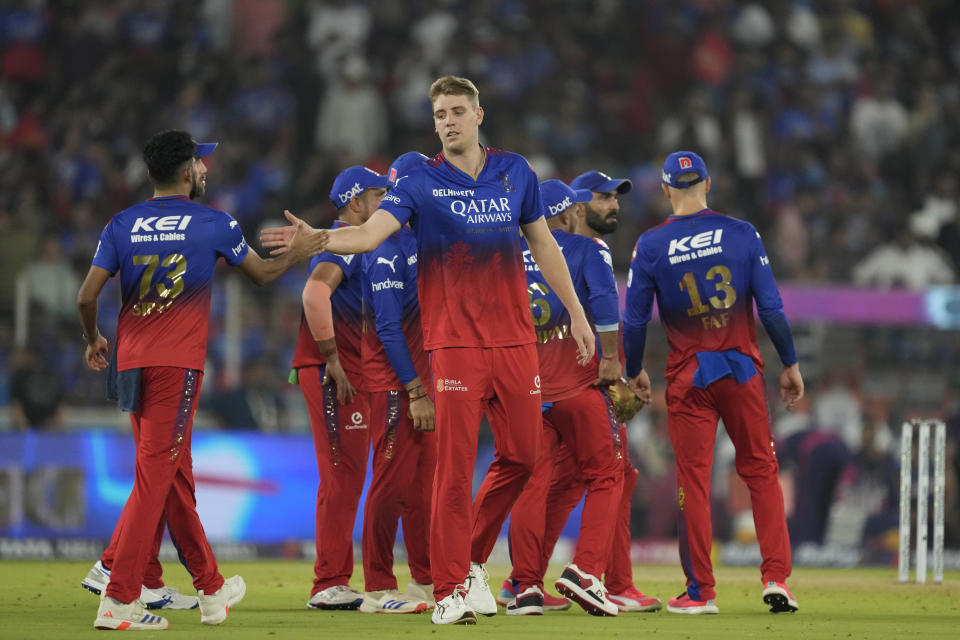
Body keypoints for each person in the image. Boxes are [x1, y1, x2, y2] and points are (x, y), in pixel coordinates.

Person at [262, 75, 595, 626]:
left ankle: (467, 561)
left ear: (479, 115)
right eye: (440, 113)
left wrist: (578, 314)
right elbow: (369, 236)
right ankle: (446, 591)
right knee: (454, 470)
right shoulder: (419, 183)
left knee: (524, 455)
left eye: (458, 110)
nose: (448, 120)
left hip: (515, 340)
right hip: (456, 345)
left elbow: (543, 243)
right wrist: (318, 240)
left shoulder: (516, 172)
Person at [76, 129, 323, 630]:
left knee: (172, 475)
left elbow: (85, 296)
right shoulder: (215, 223)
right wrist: (301, 253)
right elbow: (262, 275)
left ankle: (210, 588)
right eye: (201, 162)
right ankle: (118, 596)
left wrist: (92, 339)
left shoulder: (121, 223)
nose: (206, 169)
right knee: (156, 479)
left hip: (130, 363)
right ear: (188, 171)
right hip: (174, 366)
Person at [623, 150, 803, 615]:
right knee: (761, 470)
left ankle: (700, 592)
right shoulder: (742, 234)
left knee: (694, 482)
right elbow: (773, 309)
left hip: (689, 378)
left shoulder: (651, 245)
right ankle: (777, 578)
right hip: (742, 370)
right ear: (709, 183)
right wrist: (790, 362)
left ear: (665, 190)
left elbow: (635, 320)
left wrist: (632, 371)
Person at [501, 169, 662, 614]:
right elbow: (610, 309)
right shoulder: (588, 248)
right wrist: (616, 365)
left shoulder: (510, 254)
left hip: (525, 388)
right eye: (599, 198)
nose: (609, 205)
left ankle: (524, 584)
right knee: (612, 473)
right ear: (568, 212)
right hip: (579, 383)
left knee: (532, 485)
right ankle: (590, 573)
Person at [290, 165, 389, 611]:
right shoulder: (342, 241)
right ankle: (328, 582)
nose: (385, 201)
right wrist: (331, 357)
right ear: (355, 202)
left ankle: (336, 577)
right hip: (336, 372)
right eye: (377, 194)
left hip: (353, 370)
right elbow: (313, 295)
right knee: (342, 474)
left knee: (349, 472)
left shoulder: (362, 245)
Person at [357, 151, 437, 614]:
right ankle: (378, 586)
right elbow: (388, 329)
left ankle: (425, 581)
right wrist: (416, 391)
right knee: (389, 485)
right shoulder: (386, 247)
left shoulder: (420, 244)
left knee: (422, 489)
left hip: (425, 384)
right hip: (395, 386)